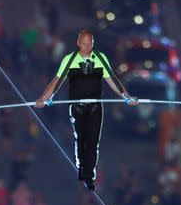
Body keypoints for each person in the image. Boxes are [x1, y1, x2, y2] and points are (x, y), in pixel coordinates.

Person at [35, 30, 137, 191]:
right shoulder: (69, 60)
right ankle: (82, 169)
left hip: (96, 106)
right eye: (83, 43)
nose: (86, 47)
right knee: (82, 138)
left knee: (93, 141)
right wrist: (44, 99)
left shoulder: (101, 58)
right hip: (78, 107)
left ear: (93, 43)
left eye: (89, 43)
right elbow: (57, 81)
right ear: (78, 43)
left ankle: (89, 174)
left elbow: (112, 80)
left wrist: (126, 96)